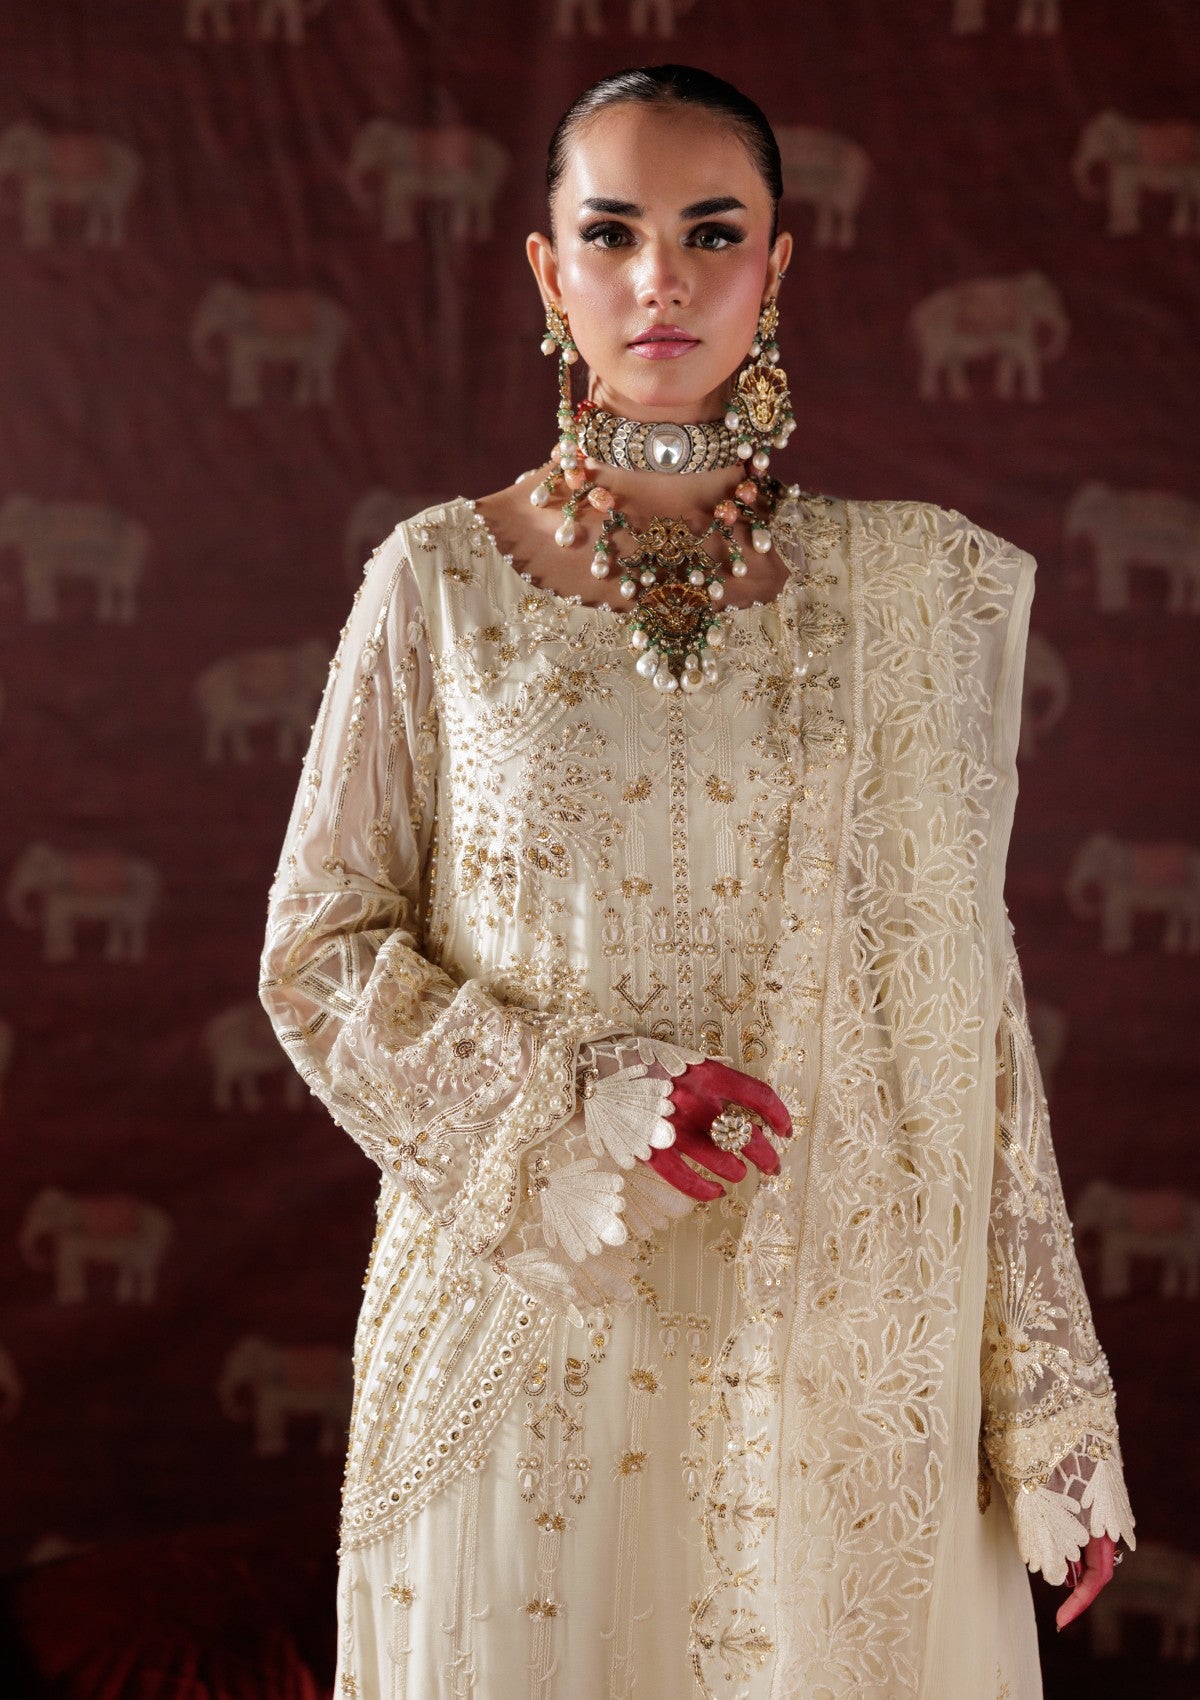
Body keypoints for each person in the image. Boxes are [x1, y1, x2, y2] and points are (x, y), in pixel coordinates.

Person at [259, 64, 1135, 1700]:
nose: (660, 276)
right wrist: (585, 1105)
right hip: (528, 1321)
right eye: (612, 234)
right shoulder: (437, 582)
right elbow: (321, 951)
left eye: (710, 232)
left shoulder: (899, 592)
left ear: (775, 265)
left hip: (836, 1337)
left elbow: (965, 1012)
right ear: (548, 270)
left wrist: (1045, 1396)